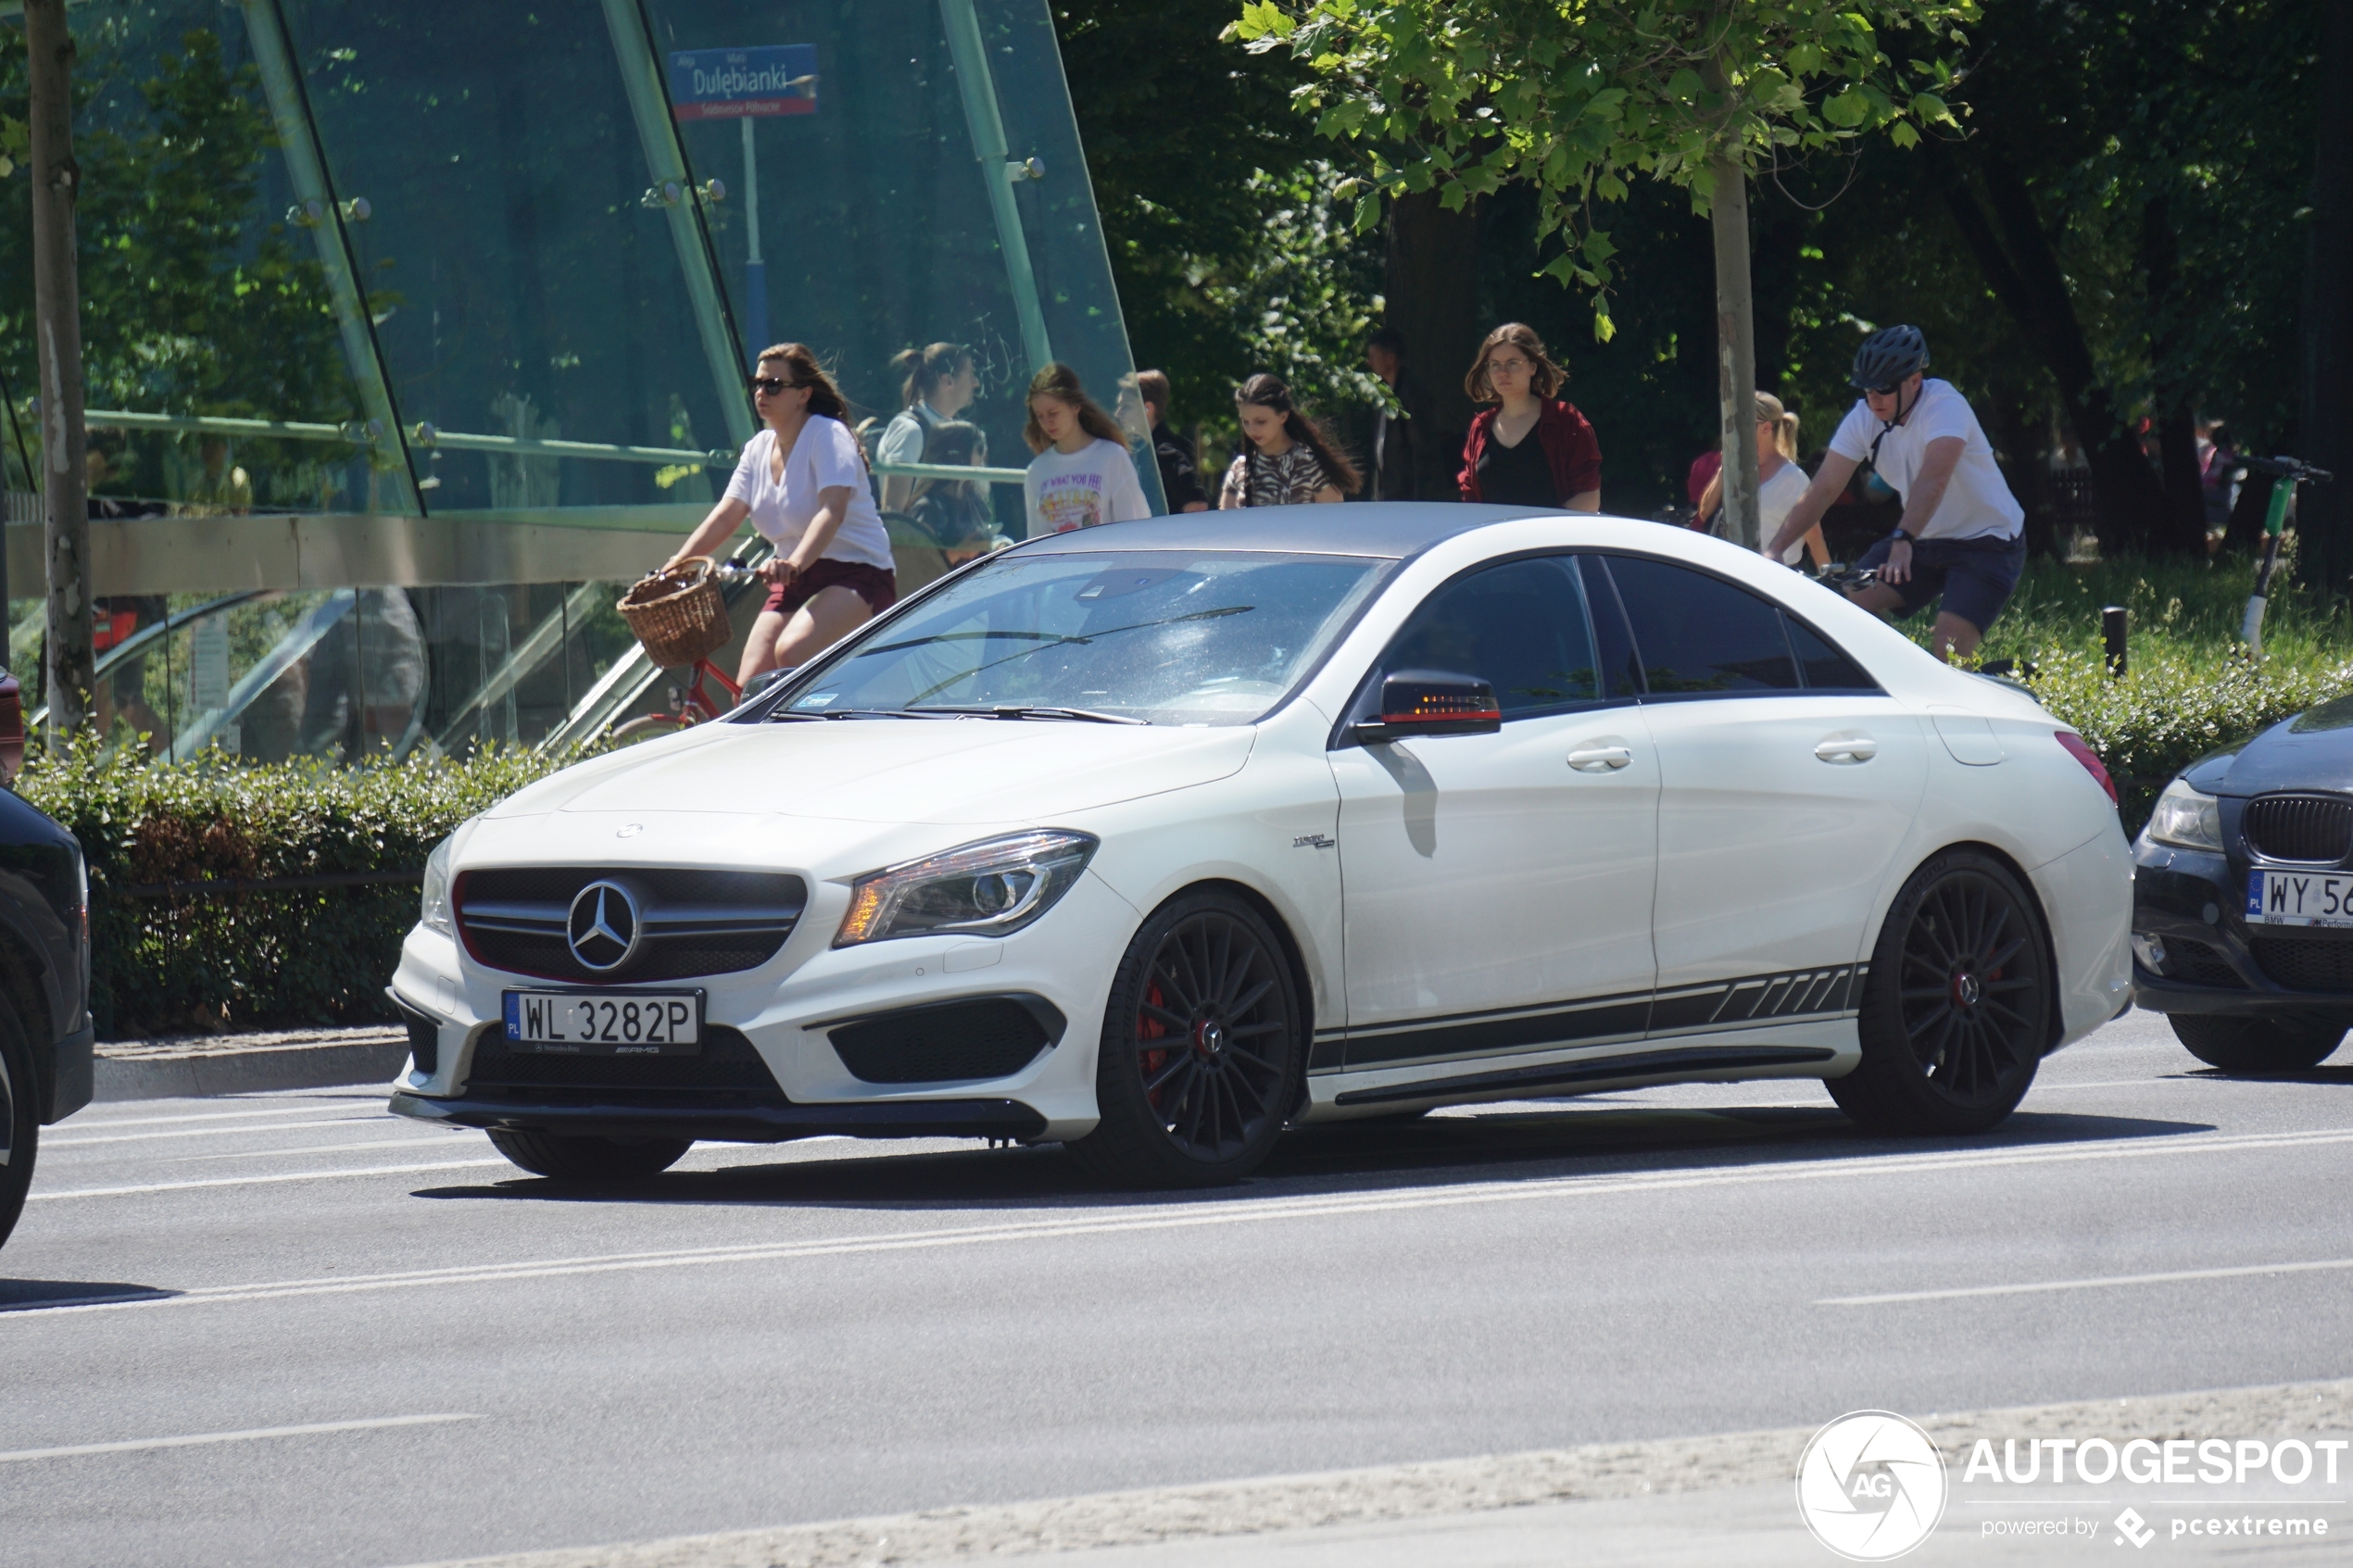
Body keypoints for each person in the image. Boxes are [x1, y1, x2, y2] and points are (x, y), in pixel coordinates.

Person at [1764, 324, 2026, 662]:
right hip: (1923, 538)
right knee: (1845, 608)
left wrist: (1903, 539)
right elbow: (1824, 488)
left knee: (1948, 653)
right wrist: (1774, 550)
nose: (1874, 399)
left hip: (1986, 542)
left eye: (1884, 389)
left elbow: (1934, 479)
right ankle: (1889, 678)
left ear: (1914, 380)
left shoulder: (1946, 405)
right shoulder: (1864, 418)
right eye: (1866, 390)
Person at [669, 343, 900, 685]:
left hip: (856, 573)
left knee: (791, 652)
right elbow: (727, 515)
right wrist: (676, 565)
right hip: (795, 580)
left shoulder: (827, 435)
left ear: (803, 394)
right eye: (757, 383)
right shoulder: (758, 448)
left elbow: (831, 511)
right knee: (750, 690)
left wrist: (794, 563)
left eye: (773, 385)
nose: (762, 392)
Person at [1456, 323, 1601, 509]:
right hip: (1495, 538)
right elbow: (1471, 500)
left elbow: (1588, 498)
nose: (1503, 372)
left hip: (1553, 538)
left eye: (1513, 363)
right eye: (1495, 365)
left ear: (1533, 367)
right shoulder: (1480, 427)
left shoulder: (1566, 421)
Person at [1697, 392, 1827, 568]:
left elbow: (1815, 537)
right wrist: (1725, 468)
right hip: (1735, 575)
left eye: (1742, 423)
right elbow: (1704, 512)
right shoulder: (1736, 468)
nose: (1734, 429)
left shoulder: (1794, 479)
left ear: (1766, 428)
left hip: (1776, 579)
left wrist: (1831, 585)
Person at [1022, 362, 1151, 537]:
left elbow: (1136, 528)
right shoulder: (1036, 471)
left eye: (1053, 413)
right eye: (1040, 416)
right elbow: (1036, 541)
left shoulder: (1112, 457)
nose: (1047, 422)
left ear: (1075, 406)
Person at [1218, 373, 1359, 508]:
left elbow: (1334, 521)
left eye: (1260, 422)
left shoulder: (1309, 463)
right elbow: (1226, 527)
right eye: (1245, 422)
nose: (1251, 429)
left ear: (1283, 416)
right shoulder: (1239, 468)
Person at [876, 342, 981, 512]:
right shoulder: (910, 430)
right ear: (947, 381)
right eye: (970, 375)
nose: (976, 383)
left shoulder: (951, 429)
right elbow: (893, 512)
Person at [1364, 327, 1438, 500]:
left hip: (1407, 496)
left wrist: (1420, 499)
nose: (1369, 362)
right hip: (1388, 492)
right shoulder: (1383, 392)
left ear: (1390, 358)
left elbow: (1423, 450)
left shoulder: (1412, 393)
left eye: (1374, 356)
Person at [905, 420, 995, 554]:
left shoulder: (973, 499)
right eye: (980, 450)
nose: (983, 457)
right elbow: (921, 560)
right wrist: (959, 552)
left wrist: (999, 544)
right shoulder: (928, 508)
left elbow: (987, 535)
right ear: (960, 454)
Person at [1134, 369, 1207, 512]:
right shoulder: (1146, 449)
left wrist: (1179, 534)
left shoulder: (1164, 452)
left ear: (1147, 408)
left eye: (1125, 407)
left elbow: (1197, 503)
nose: (1118, 414)